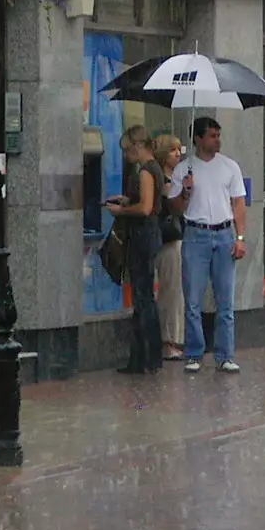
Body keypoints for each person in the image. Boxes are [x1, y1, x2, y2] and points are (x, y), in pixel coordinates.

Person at [167, 116, 248, 374]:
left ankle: (225, 354)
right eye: (212, 135)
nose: (217, 140)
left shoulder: (229, 167)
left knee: (225, 300)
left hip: (224, 233)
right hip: (195, 234)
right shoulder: (183, 169)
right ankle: (194, 353)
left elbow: (238, 204)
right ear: (199, 139)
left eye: (218, 135)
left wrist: (240, 237)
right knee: (192, 298)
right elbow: (175, 208)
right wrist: (185, 191)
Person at [105, 126, 164, 375]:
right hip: (150, 236)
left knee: (142, 297)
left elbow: (146, 208)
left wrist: (121, 211)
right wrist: (128, 200)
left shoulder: (146, 171)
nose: (127, 156)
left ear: (138, 147)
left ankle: (145, 358)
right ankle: (147, 357)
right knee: (144, 297)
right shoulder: (155, 169)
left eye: (128, 150)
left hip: (142, 236)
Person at [152, 134, 186, 360]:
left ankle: (176, 338)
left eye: (179, 150)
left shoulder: (176, 177)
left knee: (178, 292)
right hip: (168, 241)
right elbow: (174, 206)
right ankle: (168, 340)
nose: (178, 154)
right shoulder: (163, 180)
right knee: (170, 291)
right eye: (173, 150)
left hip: (177, 239)